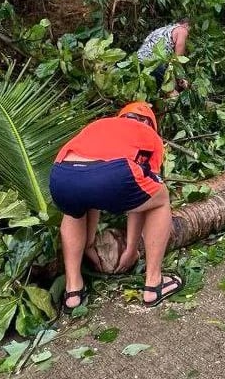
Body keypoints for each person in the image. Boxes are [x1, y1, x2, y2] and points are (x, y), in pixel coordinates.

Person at [48, 102, 182, 310]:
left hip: (62, 175)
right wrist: (130, 248)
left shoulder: (100, 125)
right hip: (112, 175)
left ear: (120, 117)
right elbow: (143, 200)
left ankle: (73, 290)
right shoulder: (149, 135)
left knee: (74, 209)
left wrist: (89, 244)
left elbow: (88, 189)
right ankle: (154, 283)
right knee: (159, 199)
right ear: (151, 124)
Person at [137, 18, 190, 90]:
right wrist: (181, 79)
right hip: (154, 62)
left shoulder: (164, 29)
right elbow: (178, 59)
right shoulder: (182, 30)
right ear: (186, 25)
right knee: (172, 93)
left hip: (139, 61)